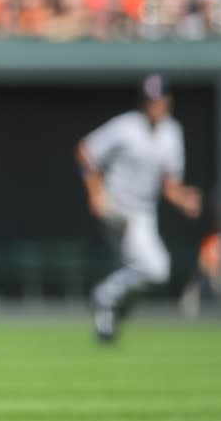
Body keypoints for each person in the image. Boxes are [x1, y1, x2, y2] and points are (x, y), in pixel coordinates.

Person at [76, 73, 202, 342]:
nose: (155, 105)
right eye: (150, 100)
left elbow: (169, 183)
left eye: (159, 100)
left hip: (144, 212)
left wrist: (183, 198)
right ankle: (106, 300)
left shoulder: (172, 133)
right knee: (154, 268)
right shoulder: (126, 126)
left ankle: (108, 310)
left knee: (144, 271)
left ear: (168, 101)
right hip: (117, 206)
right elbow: (86, 152)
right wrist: (96, 194)